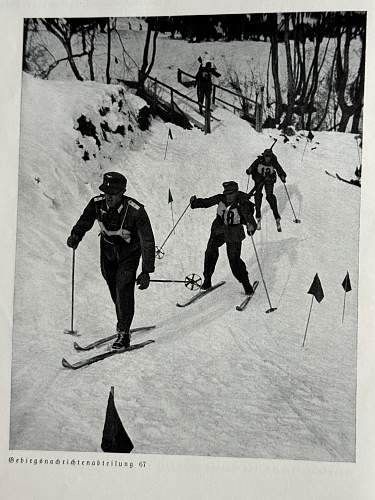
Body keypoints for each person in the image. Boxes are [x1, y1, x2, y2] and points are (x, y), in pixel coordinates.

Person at [66, 172, 155, 350]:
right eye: (106, 193)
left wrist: (146, 271)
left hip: (128, 254)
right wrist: (76, 235)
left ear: (122, 193)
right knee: (114, 289)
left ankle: (123, 332)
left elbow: (147, 240)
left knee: (123, 288)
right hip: (107, 253)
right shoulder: (97, 203)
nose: (108, 197)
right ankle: (123, 317)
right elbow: (85, 220)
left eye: (113, 194)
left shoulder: (135, 210)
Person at [190, 181, 257, 295]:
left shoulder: (242, 203)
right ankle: (207, 280)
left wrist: (251, 226)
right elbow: (207, 202)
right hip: (219, 230)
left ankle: (246, 284)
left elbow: (250, 219)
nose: (228, 196)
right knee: (210, 252)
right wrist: (195, 203)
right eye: (226, 193)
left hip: (234, 234)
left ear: (236, 193)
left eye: (231, 194)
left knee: (234, 261)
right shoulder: (221, 198)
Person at [246, 148, 287, 232]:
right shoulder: (259, 160)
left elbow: (279, 169)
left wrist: (282, 176)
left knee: (270, 196)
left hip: (269, 180)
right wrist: (249, 170)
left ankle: (276, 216)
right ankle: (258, 216)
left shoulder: (273, 161)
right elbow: (252, 166)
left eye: (269, 156)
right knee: (258, 196)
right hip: (259, 180)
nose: (267, 158)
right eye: (266, 156)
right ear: (263, 156)